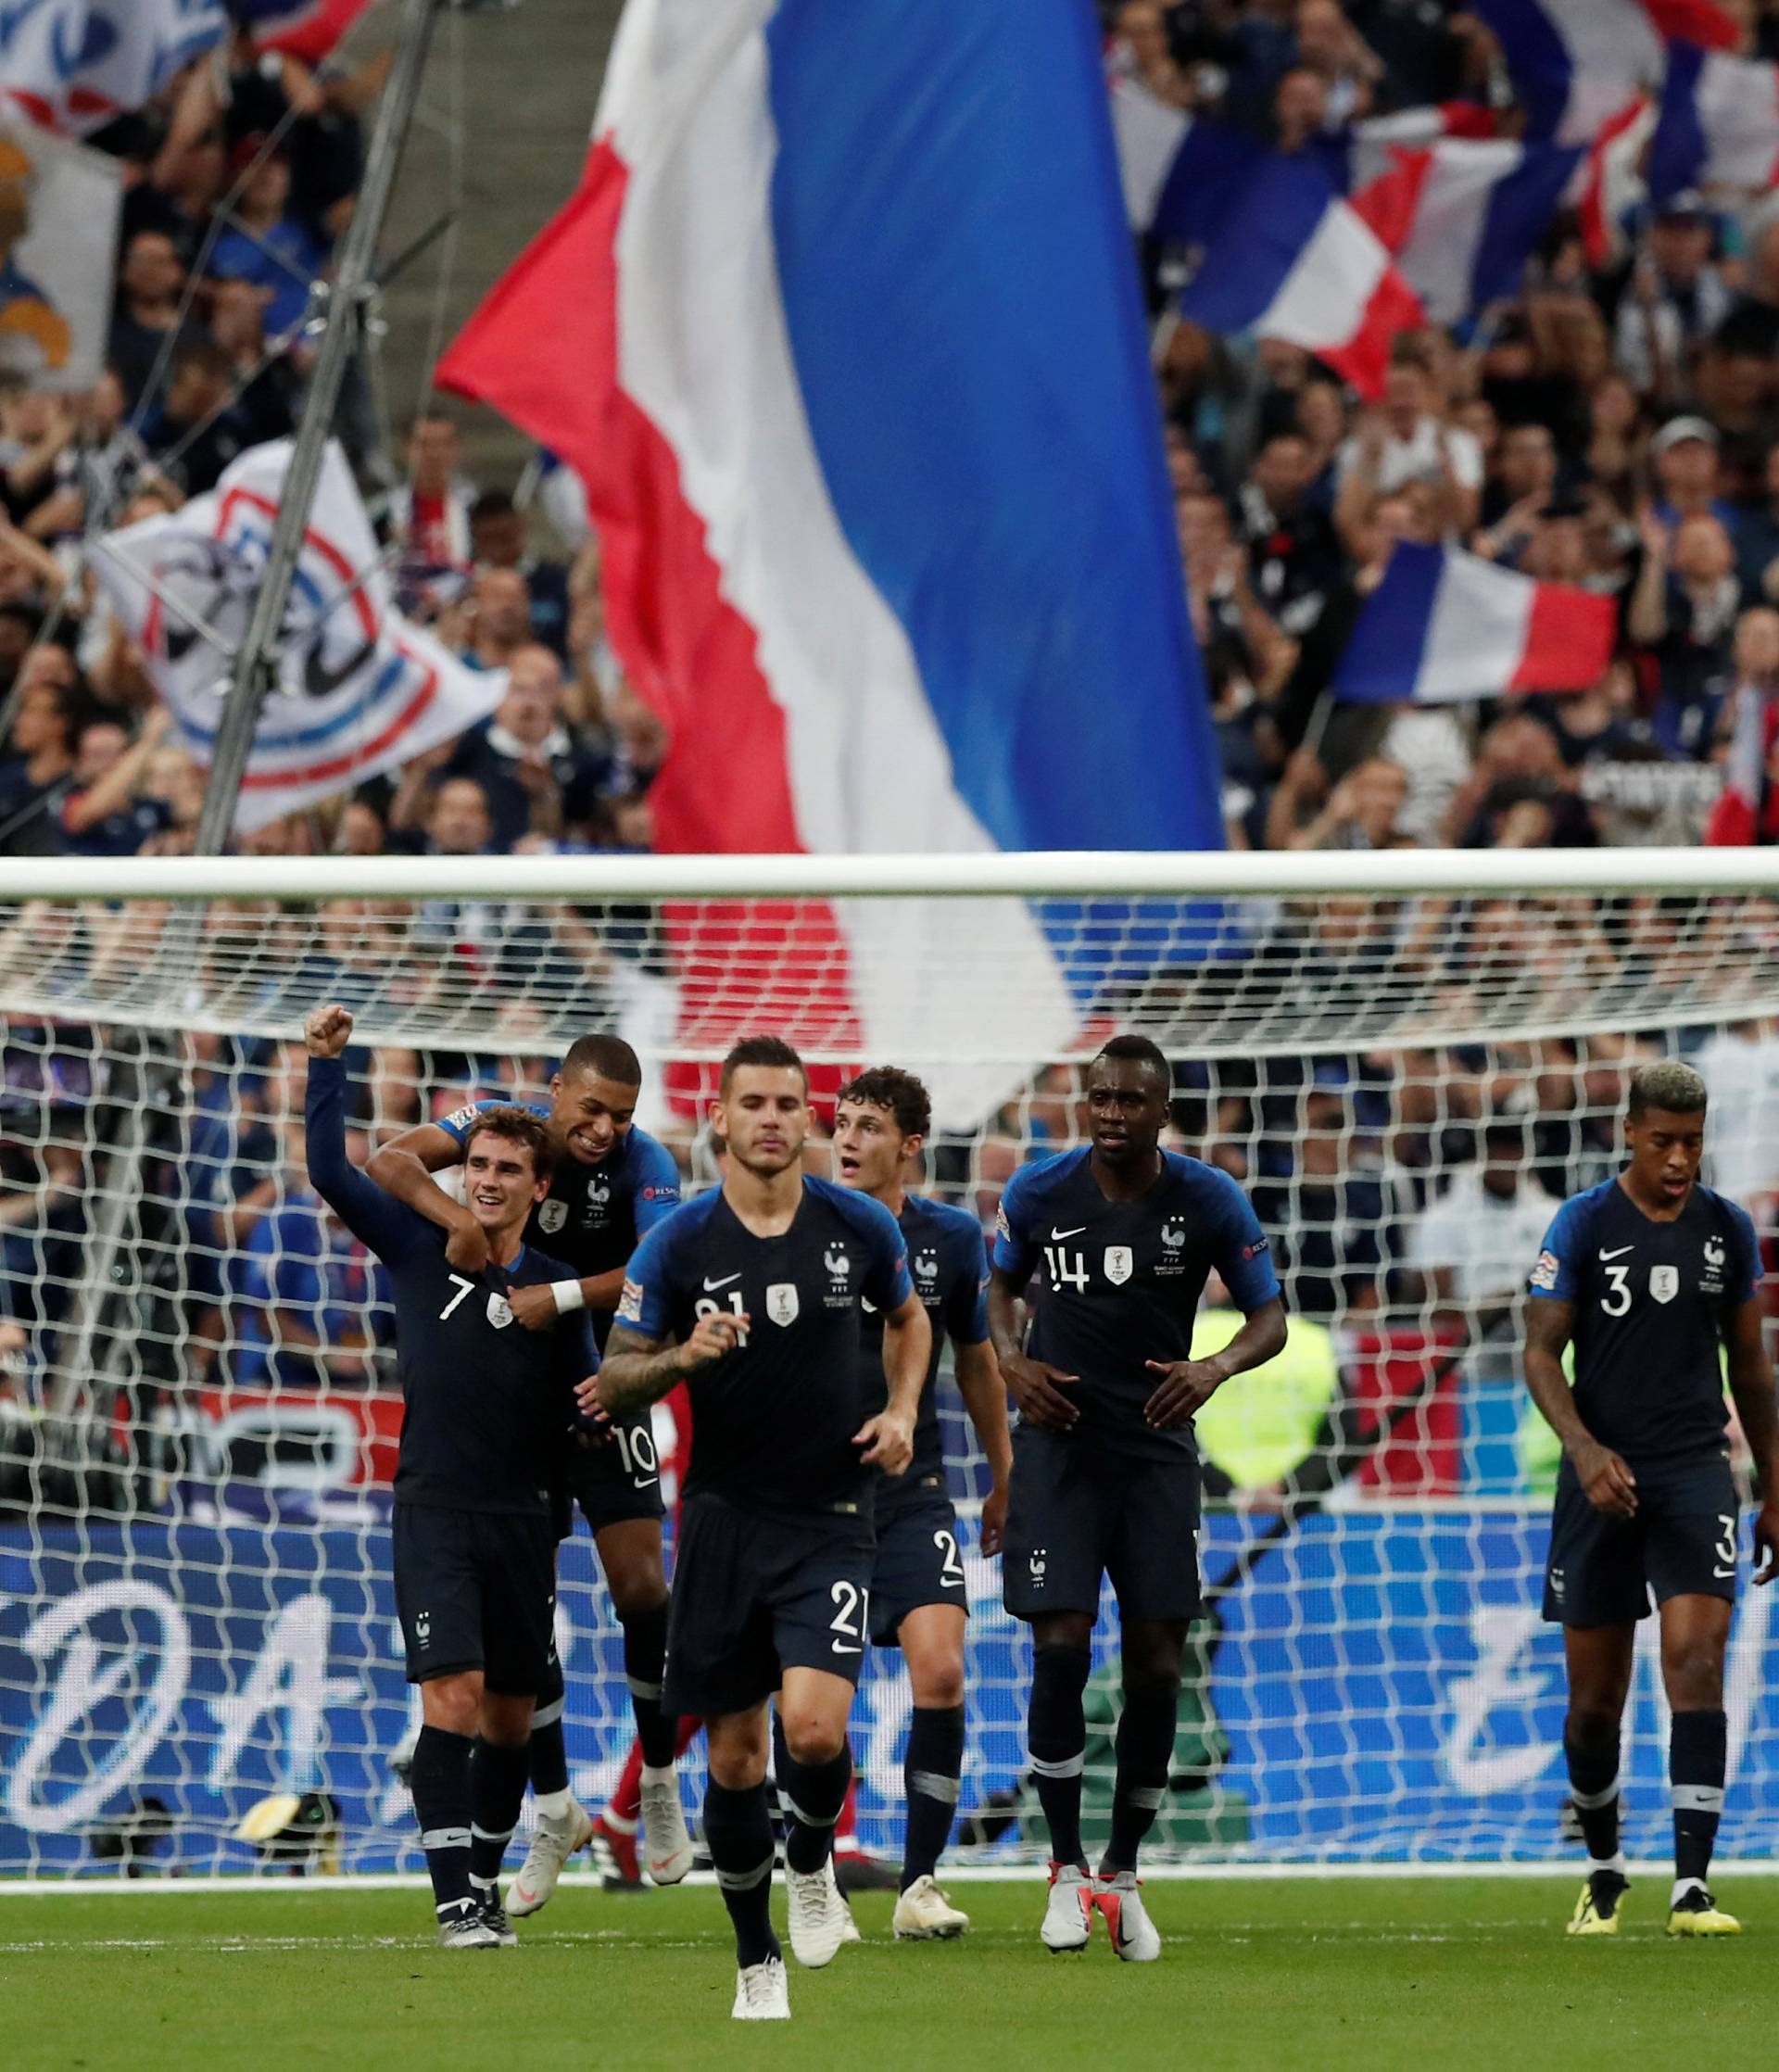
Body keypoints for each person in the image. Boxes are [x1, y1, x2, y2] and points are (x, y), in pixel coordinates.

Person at [591, 1035, 931, 2021]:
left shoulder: (859, 1225)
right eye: (756, 1103)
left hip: (830, 1516)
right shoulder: (680, 1244)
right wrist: (683, 1356)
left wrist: (905, 1409)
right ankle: (755, 1960)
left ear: (808, 1120)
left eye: (791, 1103)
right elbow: (614, 1381)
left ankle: (814, 1860)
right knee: (736, 1757)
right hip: (723, 1523)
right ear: (722, 1121)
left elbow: (910, 1321)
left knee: (815, 1731)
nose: (775, 1119)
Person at [365, 1031, 688, 1906]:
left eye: (621, 1116)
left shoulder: (648, 1163)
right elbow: (392, 1161)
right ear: (556, 1094)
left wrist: (570, 1296)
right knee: (524, 1610)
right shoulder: (501, 1133)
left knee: (643, 1590)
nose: (606, 1131)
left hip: (607, 1377)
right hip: (525, 1393)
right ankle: (552, 1803)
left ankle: (656, 1782)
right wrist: (462, 1220)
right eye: (591, 1111)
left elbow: (664, 1267)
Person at [302, 1004, 600, 1949]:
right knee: (454, 1700)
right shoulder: (418, 1245)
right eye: (477, 1165)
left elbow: (586, 1397)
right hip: (434, 1509)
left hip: (524, 1517)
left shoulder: (554, 1284)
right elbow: (331, 1171)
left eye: (508, 1169)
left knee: (511, 1718)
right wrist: (325, 1068)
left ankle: (481, 1878)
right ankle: (453, 1902)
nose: (487, 1180)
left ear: (538, 1185)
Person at [989, 1035, 1285, 1961]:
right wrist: (1011, 1361)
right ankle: (1066, 1871)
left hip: (1157, 1449)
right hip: (1060, 1448)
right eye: (1100, 1097)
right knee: (1063, 1647)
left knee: (1161, 1663)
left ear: (1163, 1112)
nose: (1112, 1113)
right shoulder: (1039, 1192)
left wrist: (1215, 1366)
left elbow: (1271, 1315)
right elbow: (993, 1291)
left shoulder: (1208, 1198)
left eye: (1131, 1100)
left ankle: (1122, 1868)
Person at [1524, 1060, 1779, 1939]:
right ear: (1628, 1132)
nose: (1680, 1159)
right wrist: (1586, 1450)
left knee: (1696, 1663)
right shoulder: (1585, 1222)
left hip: (1694, 1471)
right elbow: (1537, 1354)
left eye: (1694, 1143)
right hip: (1599, 1477)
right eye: (1664, 1141)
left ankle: (1693, 1887)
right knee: (1594, 1705)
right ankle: (1602, 1872)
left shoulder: (1726, 1229)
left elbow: (1750, 1367)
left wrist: (1774, 1489)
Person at [830, 1067, 1012, 1939]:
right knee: (815, 1708)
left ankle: (920, 1885)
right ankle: (811, 1869)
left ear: (908, 1145)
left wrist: (1006, 1472)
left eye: (867, 1126)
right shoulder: (801, 1224)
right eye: (841, 1122)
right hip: (816, 1504)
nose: (847, 1139)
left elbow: (975, 1359)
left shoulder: (950, 1238)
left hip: (914, 1494)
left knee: (941, 1671)